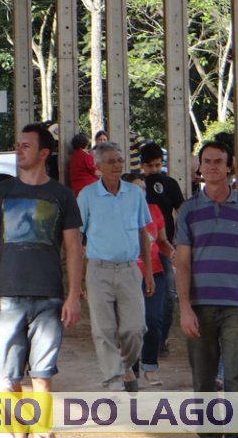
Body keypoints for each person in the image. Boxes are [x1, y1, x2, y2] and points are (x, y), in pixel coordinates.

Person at [0, 123, 83, 418]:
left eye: (26, 145)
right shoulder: (2, 191)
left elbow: (74, 248)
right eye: (17, 145)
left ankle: (42, 430)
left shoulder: (62, 195)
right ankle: (16, 431)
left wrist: (74, 295)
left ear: (44, 153)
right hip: (9, 296)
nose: (18, 150)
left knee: (42, 376)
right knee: (8, 379)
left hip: (49, 298)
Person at [175, 140, 238, 437]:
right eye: (207, 161)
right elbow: (182, 263)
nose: (212, 166)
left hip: (237, 306)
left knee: (237, 378)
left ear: (229, 166)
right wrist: (184, 308)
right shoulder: (188, 210)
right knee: (203, 380)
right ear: (199, 167)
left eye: (218, 161)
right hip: (199, 307)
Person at [77, 141, 154, 391]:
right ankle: (114, 378)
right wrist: (78, 278)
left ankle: (124, 365)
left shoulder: (134, 194)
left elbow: (143, 233)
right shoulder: (87, 195)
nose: (117, 165)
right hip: (98, 269)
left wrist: (149, 272)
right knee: (103, 328)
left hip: (130, 269)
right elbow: (77, 238)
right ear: (99, 166)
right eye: (111, 161)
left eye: (120, 160)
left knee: (135, 327)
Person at [141, 142, 184, 362]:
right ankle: (141, 338)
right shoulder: (137, 186)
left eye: (158, 165)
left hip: (164, 246)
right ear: (142, 165)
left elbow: (181, 211)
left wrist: (180, 240)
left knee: (168, 293)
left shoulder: (170, 184)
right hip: (141, 249)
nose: (154, 170)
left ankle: (161, 339)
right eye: (150, 166)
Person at [68, 132, 99, 196]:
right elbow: (96, 172)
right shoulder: (86, 156)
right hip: (89, 188)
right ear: (86, 144)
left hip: (76, 189)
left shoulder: (73, 157)